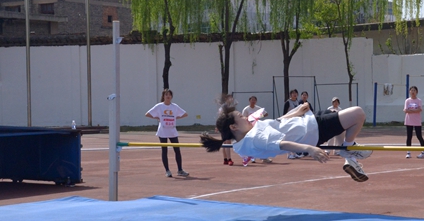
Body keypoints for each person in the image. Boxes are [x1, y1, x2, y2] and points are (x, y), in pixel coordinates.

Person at [201, 103, 372, 182]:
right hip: (312, 129)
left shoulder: (245, 140)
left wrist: (296, 112)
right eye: (241, 117)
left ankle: (350, 156)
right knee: (358, 114)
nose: (246, 117)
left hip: (306, 122)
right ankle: (348, 149)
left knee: (340, 122)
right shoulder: (255, 137)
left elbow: (276, 123)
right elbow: (282, 144)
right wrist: (309, 149)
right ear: (233, 127)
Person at [145, 89, 189, 178]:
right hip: (163, 131)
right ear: (163, 96)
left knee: (177, 150)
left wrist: (175, 118)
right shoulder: (159, 106)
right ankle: (167, 170)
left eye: (169, 95)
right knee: (164, 150)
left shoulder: (174, 106)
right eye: (166, 95)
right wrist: (158, 117)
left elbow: (185, 114)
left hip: (172, 130)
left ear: (171, 97)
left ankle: (180, 170)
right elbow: (147, 114)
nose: (168, 96)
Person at [241, 96, 269, 166]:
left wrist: (259, 116)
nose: (253, 101)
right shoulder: (246, 109)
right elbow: (243, 117)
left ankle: (263, 157)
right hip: (249, 128)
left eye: (254, 100)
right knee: (250, 142)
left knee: (260, 141)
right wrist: (248, 119)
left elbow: (266, 114)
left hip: (257, 127)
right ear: (249, 101)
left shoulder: (258, 108)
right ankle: (252, 157)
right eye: (252, 100)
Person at [404, 86, 424, 159]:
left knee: (419, 136)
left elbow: (419, 109)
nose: (413, 92)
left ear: (416, 92)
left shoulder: (419, 100)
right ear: (409, 92)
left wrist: (411, 111)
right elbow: (405, 110)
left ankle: (423, 152)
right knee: (409, 136)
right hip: (409, 120)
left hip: (417, 121)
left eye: (414, 90)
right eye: (411, 90)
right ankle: (408, 152)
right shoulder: (407, 100)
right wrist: (414, 110)